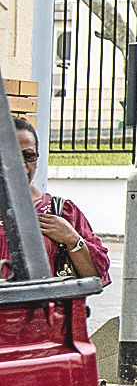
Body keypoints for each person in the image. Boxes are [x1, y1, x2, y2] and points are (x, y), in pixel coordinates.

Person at [1, 117, 111, 285]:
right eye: (12, 156)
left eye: (29, 156)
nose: (22, 165)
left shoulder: (61, 211)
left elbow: (95, 277)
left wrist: (72, 239)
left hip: (48, 310)